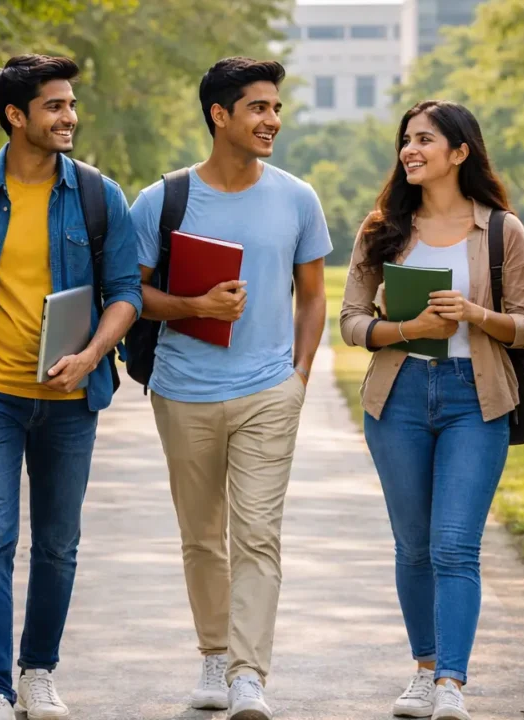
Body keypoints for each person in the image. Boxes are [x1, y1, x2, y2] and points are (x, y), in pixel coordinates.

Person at [0, 55, 142, 720]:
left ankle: (38, 672)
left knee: (57, 543)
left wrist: (92, 354)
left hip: (71, 398)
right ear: (16, 116)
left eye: (70, 104)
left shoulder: (100, 194)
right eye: (54, 106)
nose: (69, 116)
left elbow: (126, 293)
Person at [130, 57, 331, 720]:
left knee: (257, 534)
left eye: (276, 107)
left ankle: (249, 673)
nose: (272, 119)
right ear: (221, 115)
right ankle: (214, 654)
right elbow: (131, 296)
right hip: (182, 390)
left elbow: (312, 296)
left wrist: (299, 376)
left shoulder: (298, 197)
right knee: (201, 536)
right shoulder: (163, 200)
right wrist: (195, 307)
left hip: (269, 390)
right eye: (258, 108)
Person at [339, 100, 524, 720]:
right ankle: (423, 670)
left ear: (460, 152)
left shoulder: (502, 230)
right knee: (415, 547)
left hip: (474, 399)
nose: (410, 149)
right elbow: (350, 323)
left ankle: (452, 682)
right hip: (396, 398)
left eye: (424, 139)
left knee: (455, 545)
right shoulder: (383, 228)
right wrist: (408, 327)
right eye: (406, 139)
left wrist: (476, 316)